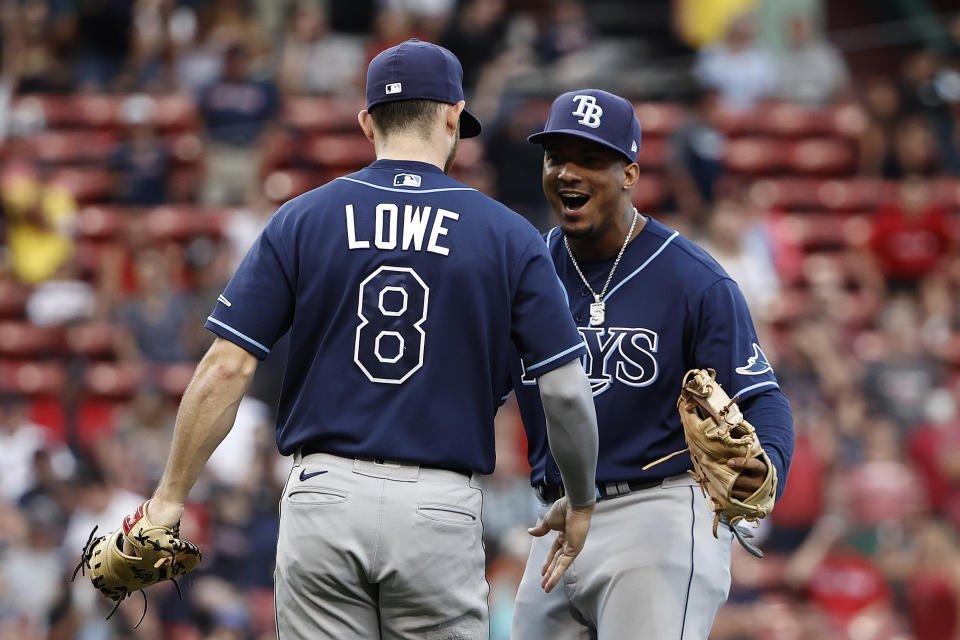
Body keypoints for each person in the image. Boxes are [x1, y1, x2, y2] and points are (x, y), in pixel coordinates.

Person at [102, 39, 600, 639]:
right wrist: (579, 498)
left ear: (367, 123)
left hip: (325, 496)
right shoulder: (509, 235)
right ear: (451, 117)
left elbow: (225, 368)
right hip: (438, 505)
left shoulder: (302, 218)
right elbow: (567, 393)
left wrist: (169, 499)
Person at [509, 89, 795, 639]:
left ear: (630, 173)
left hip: (658, 512)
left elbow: (761, 395)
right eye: (556, 158)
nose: (568, 173)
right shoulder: (528, 269)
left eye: (591, 160)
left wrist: (771, 464)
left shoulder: (693, 280)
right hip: (558, 517)